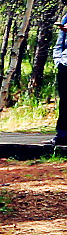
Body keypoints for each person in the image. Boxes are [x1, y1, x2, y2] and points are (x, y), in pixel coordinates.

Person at [52, 14, 67, 147]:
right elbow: (59, 43)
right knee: (64, 101)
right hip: (65, 65)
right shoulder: (66, 18)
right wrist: (58, 62)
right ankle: (62, 135)